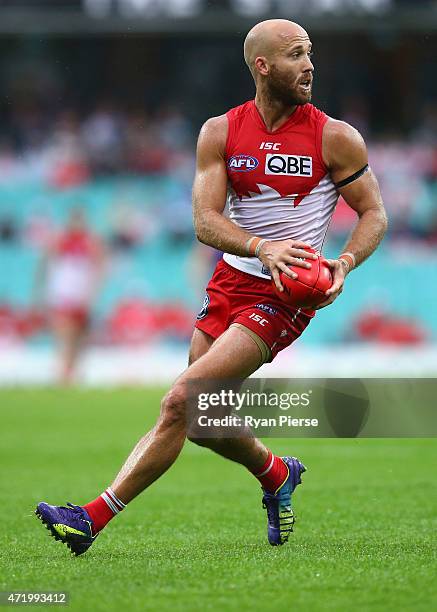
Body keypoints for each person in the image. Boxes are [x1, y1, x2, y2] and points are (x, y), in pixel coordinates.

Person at [35, 19, 387, 554]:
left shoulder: (334, 136)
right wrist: (260, 247)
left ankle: (91, 518)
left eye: (310, 53)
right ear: (262, 66)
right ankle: (275, 474)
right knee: (203, 421)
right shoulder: (220, 131)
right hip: (230, 281)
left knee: (181, 400)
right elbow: (205, 220)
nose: (309, 65)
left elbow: (374, 213)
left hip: (284, 295)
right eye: (296, 55)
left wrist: (345, 261)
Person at [35, 208, 105, 384]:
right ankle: (63, 373)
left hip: (81, 297)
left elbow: (100, 266)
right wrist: (43, 291)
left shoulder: (90, 242)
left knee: (79, 337)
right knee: (65, 334)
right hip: (64, 295)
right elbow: (44, 264)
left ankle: (73, 373)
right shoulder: (60, 241)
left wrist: (93, 292)